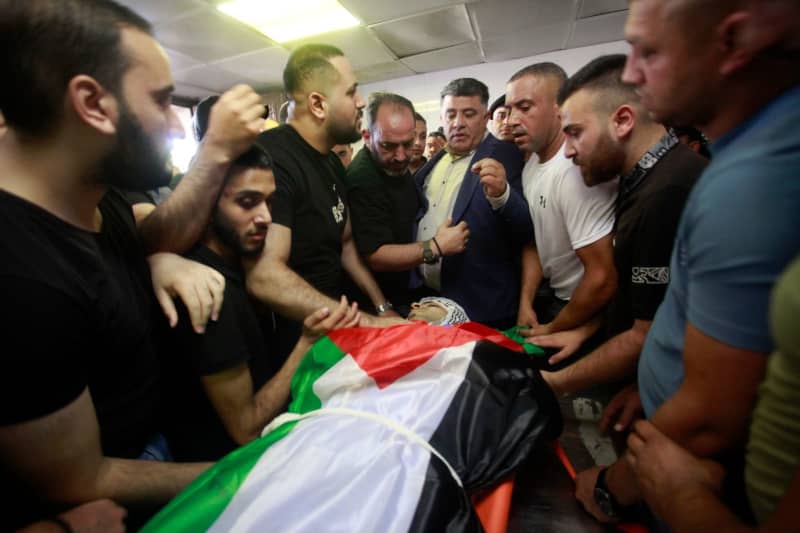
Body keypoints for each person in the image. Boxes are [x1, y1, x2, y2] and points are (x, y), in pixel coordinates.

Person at [0, 1, 264, 529]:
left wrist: (156, 257)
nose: (174, 123)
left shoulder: (94, 184)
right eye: (163, 101)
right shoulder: (19, 276)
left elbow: (138, 235)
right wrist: (247, 471)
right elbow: (78, 478)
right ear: (93, 103)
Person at [573, 0, 800, 524]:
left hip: (697, 473)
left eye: (648, 51)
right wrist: (654, 385)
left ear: (734, 42)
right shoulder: (732, 161)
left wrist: (611, 486)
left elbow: (711, 417)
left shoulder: (743, 185)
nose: (631, 73)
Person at [164, 144, 359, 461]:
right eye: (247, 202)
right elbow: (246, 429)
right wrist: (305, 345)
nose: (266, 217)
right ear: (206, 202)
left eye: (269, 202)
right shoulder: (210, 292)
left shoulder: (235, 266)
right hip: (224, 473)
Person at [532, 55, 705, 394]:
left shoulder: (666, 193)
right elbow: (646, 300)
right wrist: (585, 331)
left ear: (623, 120)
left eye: (575, 133)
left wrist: (551, 382)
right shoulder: (642, 178)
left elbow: (649, 334)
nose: (567, 151)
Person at [247, 44, 398, 359]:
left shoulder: (330, 161)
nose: (360, 102)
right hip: (294, 347)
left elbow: (345, 246)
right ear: (318, 104)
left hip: (335, 330)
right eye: (351, 92)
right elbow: (265, 276)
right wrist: (368, 324)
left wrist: (382, 309)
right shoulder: (273, 159)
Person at [505, 62, 617, 338]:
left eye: (524, 107)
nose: (511, 121)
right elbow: (535, 242)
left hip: (588, 307)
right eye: (509, 110)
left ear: (559, 108)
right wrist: (525, 302)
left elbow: (602, 277)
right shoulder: (531, 165)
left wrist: (555, 328)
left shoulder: (575, 171)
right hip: (553, 297)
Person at [415, 77, 532, 329]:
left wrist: (503, 195)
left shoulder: (505, 154)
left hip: (482, 308)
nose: (458, 123)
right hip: (430, 303)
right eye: (451, 114)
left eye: (468, 114)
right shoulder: (434, 162)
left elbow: (528, 231)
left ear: (485, 116)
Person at [345, 92, 468, 315]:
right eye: (388, 146)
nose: (401, 156)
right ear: (366, 136)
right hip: (379, 305)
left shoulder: (394, 166)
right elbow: (375, 255)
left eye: (408, 143)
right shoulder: (362, 180)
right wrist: (436, 246)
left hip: (407, 292)